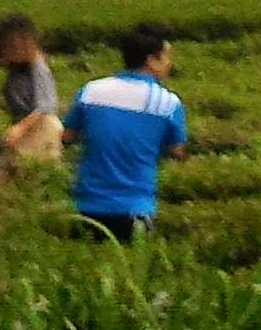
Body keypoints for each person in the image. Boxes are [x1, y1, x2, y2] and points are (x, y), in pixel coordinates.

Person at [65, 24, 190, 244]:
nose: (170, 63)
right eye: (166, 56)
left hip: (87, 205)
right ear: (151, 60)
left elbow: (67, 136)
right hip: (136, 206)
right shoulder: (167, 103)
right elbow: (177, 150)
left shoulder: (91, 91)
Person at [0, 13, 61, 177]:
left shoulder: (39, 69)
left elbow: (45, 106)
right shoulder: (17, 70)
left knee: (28, 175)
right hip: (24, 125)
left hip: (40, 128)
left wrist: (21, 128)